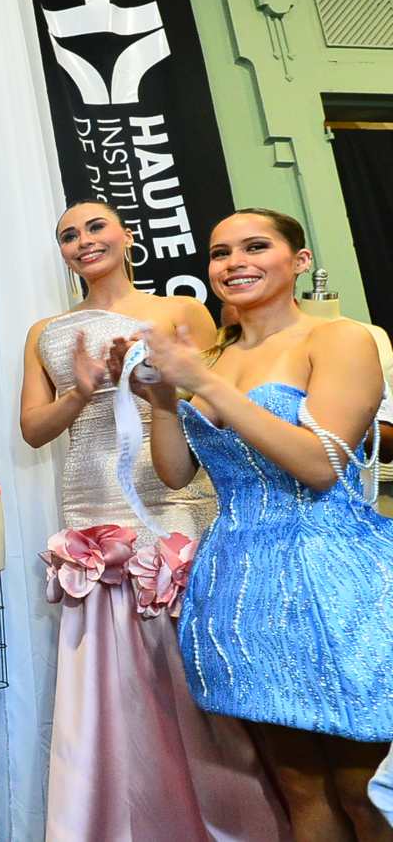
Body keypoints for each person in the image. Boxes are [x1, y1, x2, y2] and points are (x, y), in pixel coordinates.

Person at [19, 200, 288, 841]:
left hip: (172, 500)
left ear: (128, 236)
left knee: (185, 674)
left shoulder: (180, 311)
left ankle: (224, 824)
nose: (83, 241)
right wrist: (81, 390)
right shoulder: (45, 331)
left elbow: (213, 411)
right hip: (89, 509)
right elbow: (32, 430)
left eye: (96, 227)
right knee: (107, 686)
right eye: (68, 235)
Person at [133, 207, 393, 840]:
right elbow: (176, 474)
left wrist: (202, 382)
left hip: (334, 575)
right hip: (239, 583)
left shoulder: (339, 339)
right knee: (299, 789)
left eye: (255, 247)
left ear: (299, 261)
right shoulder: (215, 357)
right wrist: (164, 398)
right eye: (221, 253)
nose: (234, 263)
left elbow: (321, 465)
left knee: (364, 790)